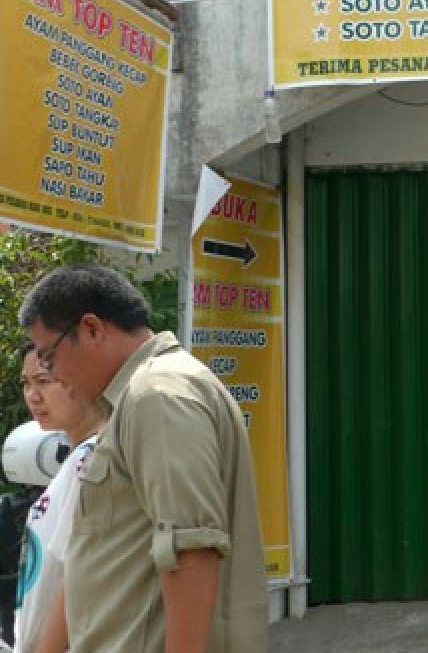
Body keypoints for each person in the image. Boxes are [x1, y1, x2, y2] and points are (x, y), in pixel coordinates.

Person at [18, 264, 266, 652]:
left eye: (49, 358)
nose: (54, 375)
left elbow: (191, 549)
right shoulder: (132, 402)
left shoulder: (157, 396)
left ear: (92, 329)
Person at [13, 340, 105, 653]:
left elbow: (77, 578)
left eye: (43, 381)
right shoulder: (78, 458)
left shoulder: (90, 461)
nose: (32, 395)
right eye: (26, 383)